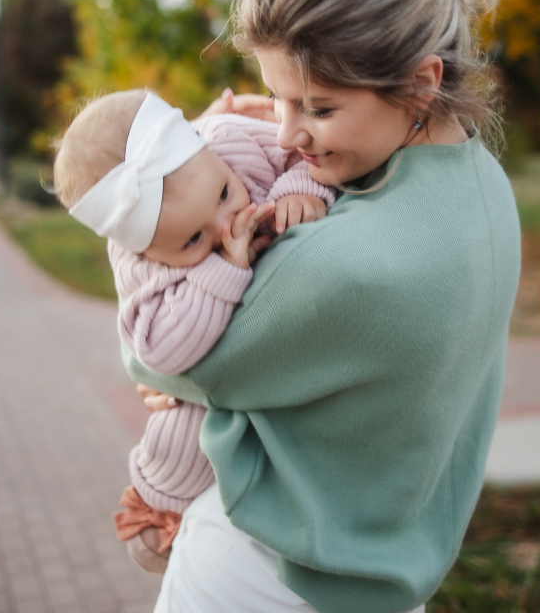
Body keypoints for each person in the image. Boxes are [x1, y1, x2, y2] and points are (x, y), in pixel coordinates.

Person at [128, 0, 522, 613]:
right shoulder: (485, 190)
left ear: (422, 78)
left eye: (319, 107)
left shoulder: (338, 261)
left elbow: (163, 356)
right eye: (274, 101)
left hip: (263, 584)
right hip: (385, 606)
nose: (290, 135)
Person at [53, 91, 335, 571]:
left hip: (294, 377)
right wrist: (222, 269)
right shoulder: (141, 264)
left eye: (225, 193)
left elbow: (304, 156)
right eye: (192, 240)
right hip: (204, 382)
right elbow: (160, 350)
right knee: (182, 425)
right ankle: (162, 504)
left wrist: (298, 191)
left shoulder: (228, 139)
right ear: (149, 253)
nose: (226, 227)